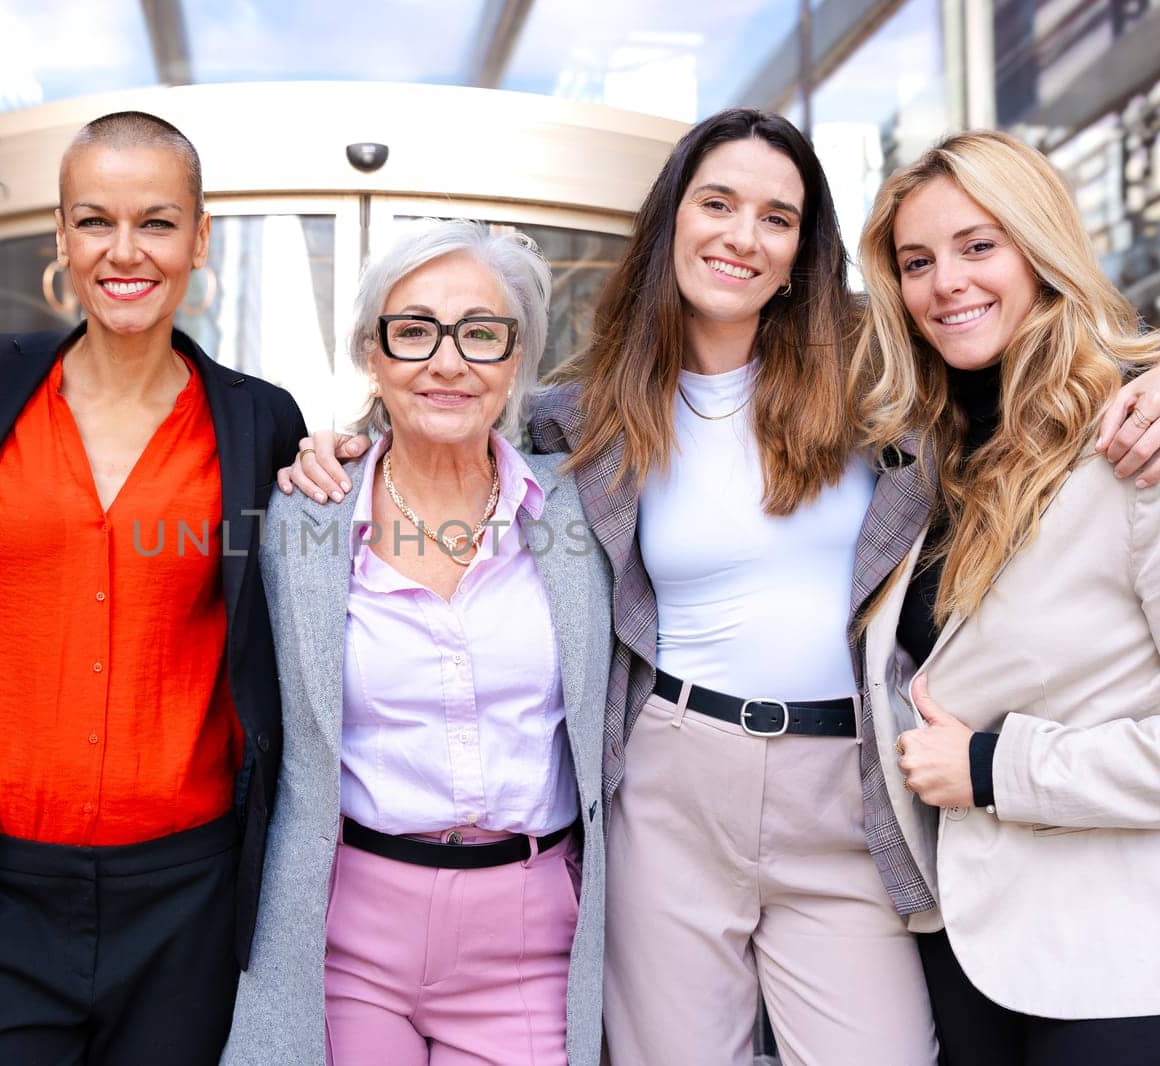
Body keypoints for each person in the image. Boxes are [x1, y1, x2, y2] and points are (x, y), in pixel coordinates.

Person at [280, 110, 1160, 1066]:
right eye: (717, 203)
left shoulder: (881, 383)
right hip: (671, 781)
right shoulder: (591, 411)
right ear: (671, 222)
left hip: (852, 786)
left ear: (799, 255)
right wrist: (343, 441)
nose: (743, 236)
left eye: (777, 218)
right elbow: (448, 398)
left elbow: (1036, 380)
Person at [0, 111, 307, 1066]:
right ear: (61, 236)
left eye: (157, 222)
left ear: (200, 236)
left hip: (187, 889)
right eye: (95, 221)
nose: (125, 251)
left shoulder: (258, 421)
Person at [224, 220, 611, 1065]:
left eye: (481, 333)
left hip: (529, 939)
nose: (448, 362)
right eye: (414, 332)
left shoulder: (582, 513)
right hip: (349, 933)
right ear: (374, 354)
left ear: (518, 358)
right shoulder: (305, 516)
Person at [852, 130, 1160, 1066]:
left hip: (1113, 964)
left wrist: (993, 769)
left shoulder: (1136, 441)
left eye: (979, 246)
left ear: (1042, 247)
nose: (946, 282)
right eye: (916, 261)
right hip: (967, 947)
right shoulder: (918, 455)